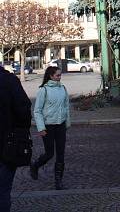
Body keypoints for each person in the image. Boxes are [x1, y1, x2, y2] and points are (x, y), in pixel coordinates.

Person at [30, 66, 70, 189]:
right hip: (48, 126)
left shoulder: (63, 88)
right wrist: (41, 128)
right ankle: (35, 165)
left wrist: (67, 123)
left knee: (61, 154)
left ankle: (58, 181)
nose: (59, 77)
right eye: (57, 75)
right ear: (51, 76)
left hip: (61, 125)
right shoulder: (44, 90)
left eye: (60, 75)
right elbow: (37, 111)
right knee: (49, 153)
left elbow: (66, 107)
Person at [0, 63, 32, 212]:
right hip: (7, 146)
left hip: (7, 145)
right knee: (3, 192)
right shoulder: (9, 81)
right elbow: (24, 112)